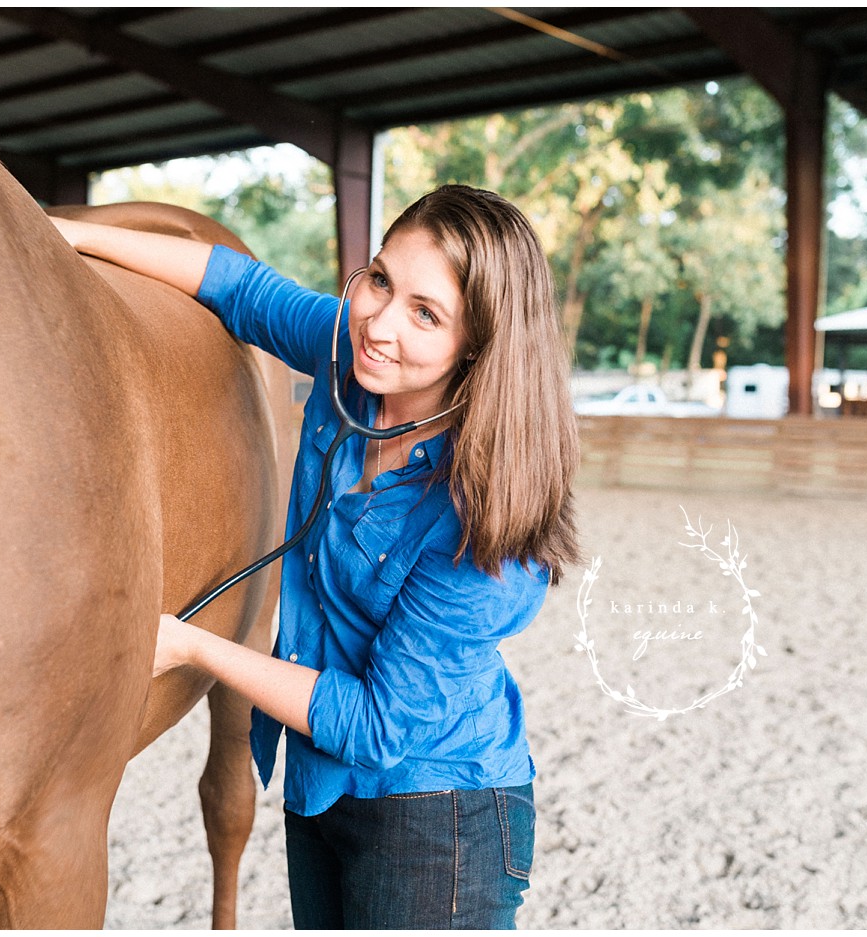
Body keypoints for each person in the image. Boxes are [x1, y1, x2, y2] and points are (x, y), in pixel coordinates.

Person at [51, 185, 583, 929]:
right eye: (379, 279)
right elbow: (237, 286)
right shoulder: (353, 361)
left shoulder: (486, 526)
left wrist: (185, 643)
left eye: (424, 313)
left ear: (478, 347)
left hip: (437, 819)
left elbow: (371, 724)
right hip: (323, 787)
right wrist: (62, 236)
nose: (378, 323)